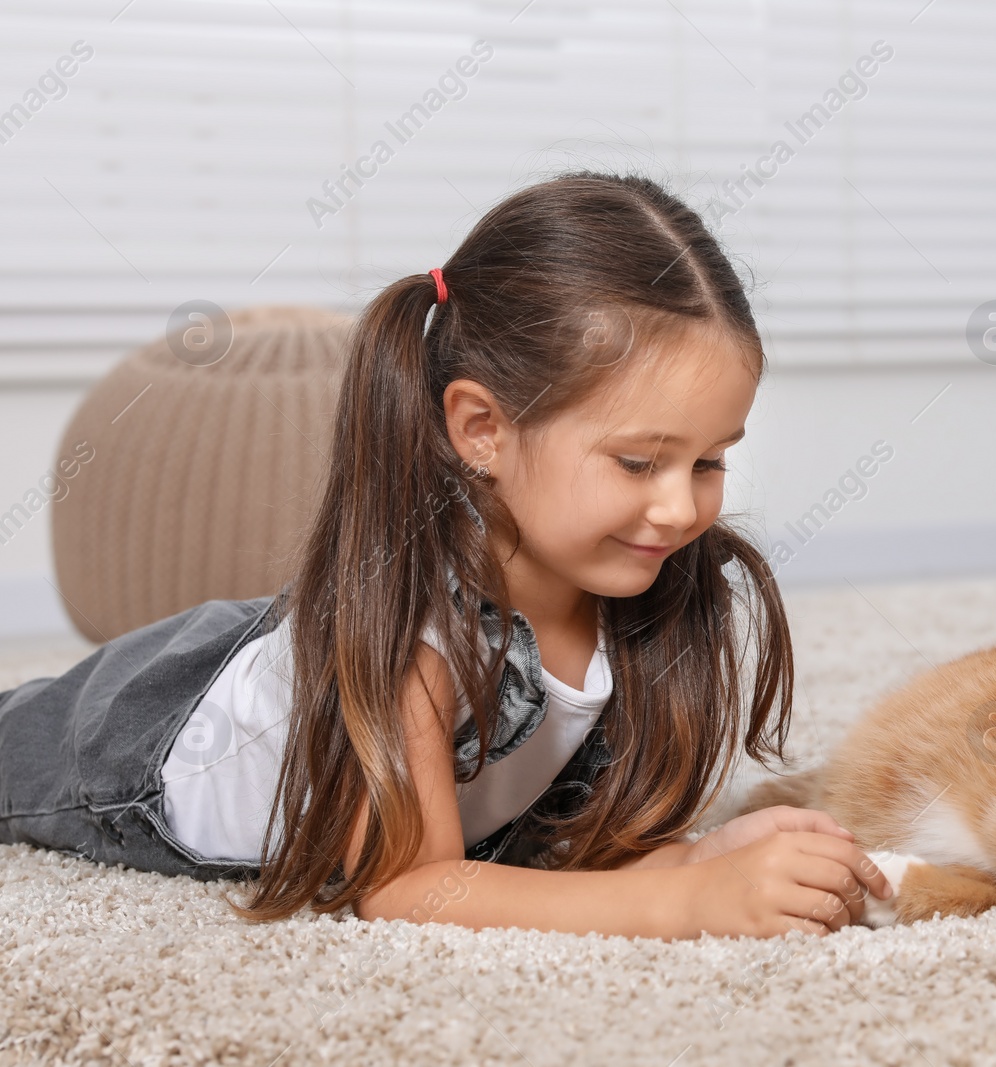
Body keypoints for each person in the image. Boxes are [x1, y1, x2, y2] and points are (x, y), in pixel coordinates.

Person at [0, 171, 890, 939]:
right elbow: (408, 886)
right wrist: (681, 902)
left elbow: (553, 838)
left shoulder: (639, 588)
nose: (679, 504)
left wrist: (688, 856)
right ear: (482, 430)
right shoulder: (414, 639)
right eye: (637, 460)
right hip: (154, 739)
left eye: (709, 461)